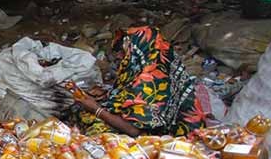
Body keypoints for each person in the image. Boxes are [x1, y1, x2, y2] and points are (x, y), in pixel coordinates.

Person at [71, 26, 215, 137]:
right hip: (149, 126)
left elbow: (134, 130)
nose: (119, 56)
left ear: (139, 50)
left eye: (123, 51)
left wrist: (96, 108)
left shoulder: (149, 78)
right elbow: (129, 98)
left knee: (95, 127)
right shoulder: (153, 65)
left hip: (163, 136)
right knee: (80, 111)